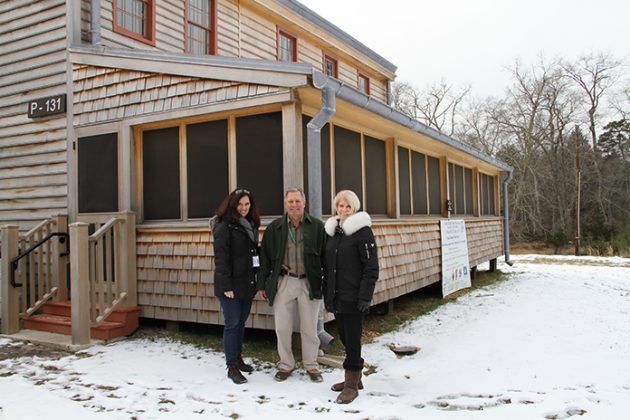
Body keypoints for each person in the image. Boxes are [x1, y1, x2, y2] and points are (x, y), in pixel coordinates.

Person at [257, 187, 327, 382]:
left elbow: (326, 258)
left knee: (309, 327)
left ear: (304, 203)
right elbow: (266, 260)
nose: (294, 205)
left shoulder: (317, 227)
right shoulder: (275, 228)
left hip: (309, 281)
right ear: (285, 204)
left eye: (298, 201)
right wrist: (262, 284)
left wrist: (326, 285)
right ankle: (286, 364)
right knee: (283, 327)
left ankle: (311, 365)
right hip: (284, 280)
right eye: (290, 201)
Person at [323, 190, 379, 404]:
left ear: (354, 208)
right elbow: (327, 266)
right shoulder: (333, 232)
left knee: (353, 340)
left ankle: (351, 384)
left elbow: (371, 267)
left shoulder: (363, 232)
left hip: (355, 297)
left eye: (347, 206)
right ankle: (356, 376)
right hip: (337, 296)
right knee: (346, 338)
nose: (343, 209)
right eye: (340, 205)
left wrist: (365, 296)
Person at [211, 188, 260, 384]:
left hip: (246, 283)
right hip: (230, 285)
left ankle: (238, 358)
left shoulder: (250, 224)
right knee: (232, 324)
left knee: (241, 323)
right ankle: (231, 365)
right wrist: (226, 286)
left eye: (247, 204)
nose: (243, 208)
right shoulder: (224, 226)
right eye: (240, 204)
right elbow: (221, 259)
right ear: (232, 204)